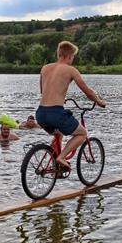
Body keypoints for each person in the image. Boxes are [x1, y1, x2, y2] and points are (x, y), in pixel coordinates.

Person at [36, 41, 106, 170]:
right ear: (69, 55)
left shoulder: (45, 68)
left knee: (59, 134)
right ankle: (61, 157)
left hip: (40, 113)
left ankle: (54, 167)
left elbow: (43, 91)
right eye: (73, 56)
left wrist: (60, 99)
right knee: (82, 134)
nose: (73, 59)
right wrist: (99, 101)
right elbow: (88, 92)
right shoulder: (71, 70)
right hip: (55, 113)